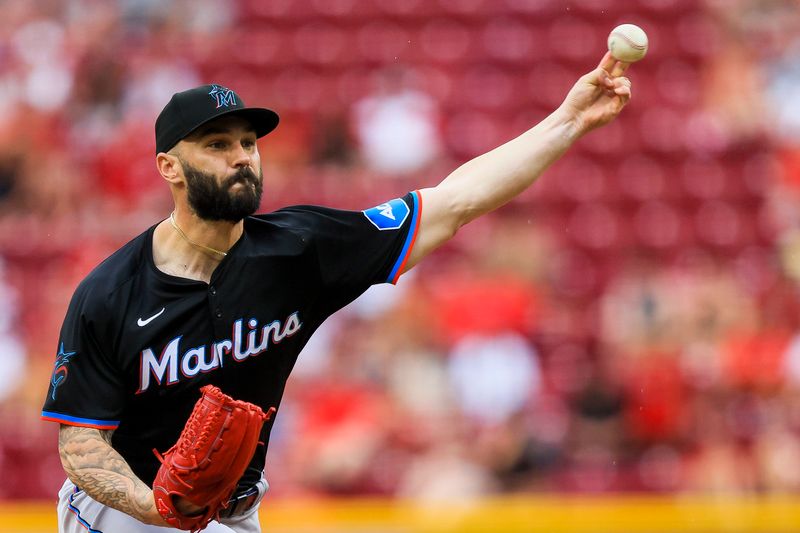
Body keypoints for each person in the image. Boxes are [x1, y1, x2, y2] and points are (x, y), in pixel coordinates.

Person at [41, 52, 632, 532]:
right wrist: (157, 507)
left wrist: (569, 121)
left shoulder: (301, 250)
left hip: (232, 511)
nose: (242, 157)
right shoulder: (110, 293)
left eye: (248, 143)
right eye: (217, 145)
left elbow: (454, 203)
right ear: (170, 167)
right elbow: (82, 447)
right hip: (125, 512)